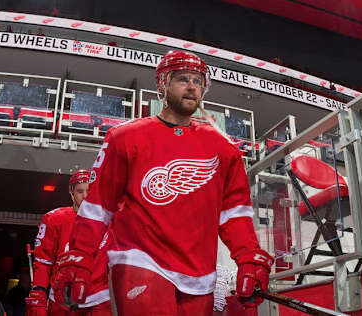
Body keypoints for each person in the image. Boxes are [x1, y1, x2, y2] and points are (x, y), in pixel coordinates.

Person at [53, 50, 273, 315]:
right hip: (140, 260)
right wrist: (80, 256)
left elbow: (234, 213)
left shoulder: (224, 149)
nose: (192, 86)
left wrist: (248, 255)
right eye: (182, 79)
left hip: (200, 273)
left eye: (198, 81)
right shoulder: (124, 137)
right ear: (163, 84)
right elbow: (100, 205)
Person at [25, 170, 112, 316]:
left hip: (99, 299)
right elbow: (43, 262)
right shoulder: (54, 219)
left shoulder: (109, 221)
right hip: (62, 299)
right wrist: (39, 294)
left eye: (89, 191)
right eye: (80, 191)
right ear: (71, 192)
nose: (85, 196)